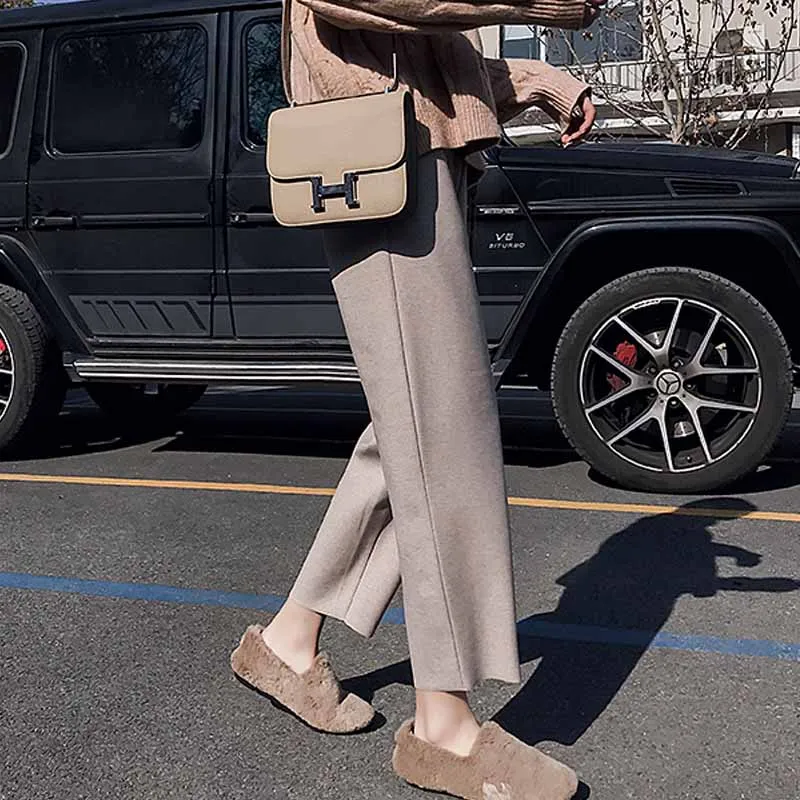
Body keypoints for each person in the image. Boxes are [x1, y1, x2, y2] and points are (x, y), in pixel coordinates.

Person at [232, 1, 604, 797]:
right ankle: (446, 727)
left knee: (414, 422)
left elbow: (428, 56)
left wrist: (537, 79)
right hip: (378, 160)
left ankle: (290, 641)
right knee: (442, 427)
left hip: (413, 154)